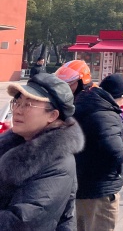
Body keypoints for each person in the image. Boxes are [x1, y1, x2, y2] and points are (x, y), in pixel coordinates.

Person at [0, 74, 84, 230]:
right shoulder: (15, 143)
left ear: (52, 115)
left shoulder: (59, 163)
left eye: (28, 105)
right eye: (17, 102)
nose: (17, 110)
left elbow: (23, 221)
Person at [74, 74, 123, 230]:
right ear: (122, 96)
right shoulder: (105, 115)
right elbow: (116, 153)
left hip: (83, 183)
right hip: (99, 189)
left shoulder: (88, 103)